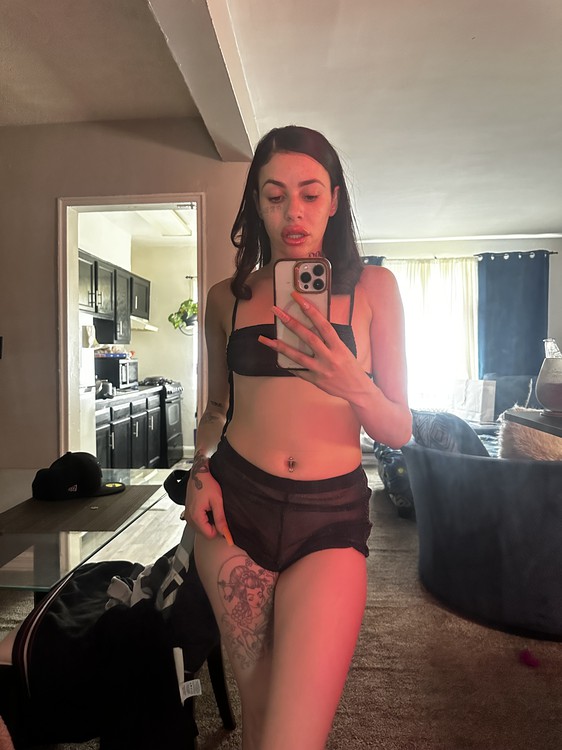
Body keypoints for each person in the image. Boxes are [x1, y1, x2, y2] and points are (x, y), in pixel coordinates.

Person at [185, 125, 412, 750]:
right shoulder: (226, 299)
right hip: (233, 512)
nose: (294, 213)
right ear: (256, 203)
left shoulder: (375, 290)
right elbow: (216, 409)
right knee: (259, 724)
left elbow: (399, 428)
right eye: (275, 195)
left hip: (328, 518)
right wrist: (198, 470)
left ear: (334, 199)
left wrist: (351, 383)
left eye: (310, 194)